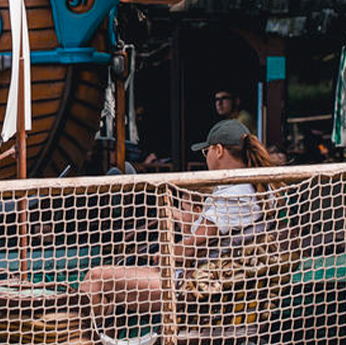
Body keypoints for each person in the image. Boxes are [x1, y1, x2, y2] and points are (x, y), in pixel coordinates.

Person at [79, 119, 282, 327]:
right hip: (209, 279)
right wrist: (183, 220)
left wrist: (163, 253)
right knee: (112, 283)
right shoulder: (256, 189)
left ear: (219, 150)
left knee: (98, 276)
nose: (206, 159)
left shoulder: (233, 195)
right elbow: (213, 234)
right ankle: (101, 341)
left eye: (207, 152)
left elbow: (192, 247)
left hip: (191, 286)